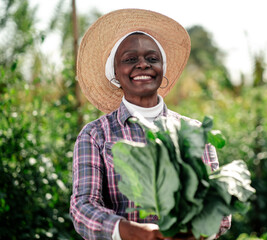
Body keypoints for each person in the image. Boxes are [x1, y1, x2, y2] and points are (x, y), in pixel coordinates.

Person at [70, 9, 231, 240]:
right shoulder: (96, 135)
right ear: (115, 73)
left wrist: (188, 234)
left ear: (162, 68)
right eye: (130, 59)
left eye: (152, 58)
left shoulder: (195, 132)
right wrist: (134, 232)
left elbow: (220, 210)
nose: (143, 64)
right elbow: (83, 208)